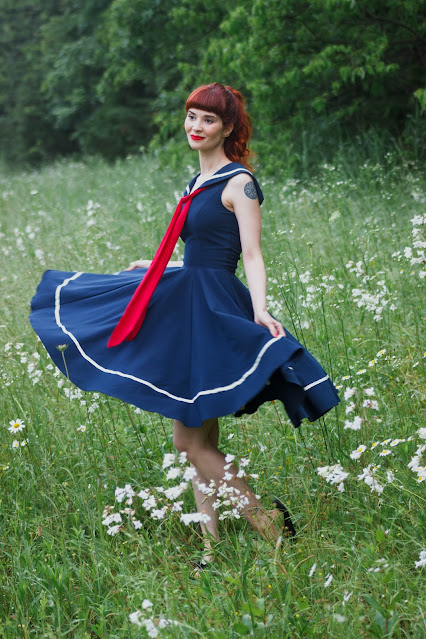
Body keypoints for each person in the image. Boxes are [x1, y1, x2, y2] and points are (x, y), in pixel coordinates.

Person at [30, 82, 339, 567]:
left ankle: (269, 525)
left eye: (208, 119)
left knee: (187, 441)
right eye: (192, 116)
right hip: (188, 300)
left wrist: (259, 308)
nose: (196, 126)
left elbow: (251, 254)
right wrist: (158, 268)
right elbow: (196, 256)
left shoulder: (241, 183)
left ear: (229, 127)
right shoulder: (193, 184)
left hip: (211, 310)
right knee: (201, 437)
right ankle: (212, 546)